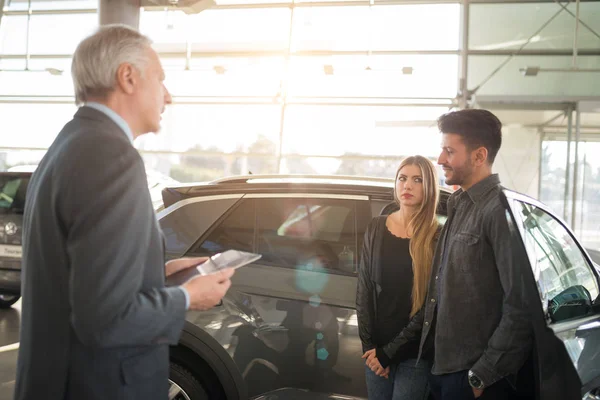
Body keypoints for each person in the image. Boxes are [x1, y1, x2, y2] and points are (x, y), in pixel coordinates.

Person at [14, 25, 234, 400]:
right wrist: (187, 298)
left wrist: (157, 277)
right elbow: (104, 320)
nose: (168, 95)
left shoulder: (69, 145)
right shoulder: (110, 156)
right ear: (128, 77)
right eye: (161, 79)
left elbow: (79, 280)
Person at [365, 109, 533, 400]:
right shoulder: (459, 204)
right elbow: (437, 296)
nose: (441, 159)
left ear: (479, 156)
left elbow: (520, 305)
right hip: (443, 370)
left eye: (449, 151)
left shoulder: (498, 211)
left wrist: (482, 375)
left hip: (472, 375)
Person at [356, 155, 440, 400]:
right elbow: (364, 289)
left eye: (417, 180)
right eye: (402, 178)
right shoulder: (377, 227)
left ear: (429, 188)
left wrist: (389, 354)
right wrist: (370, 348)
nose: (407, 185)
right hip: (376, 351)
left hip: (414, 354)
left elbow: (430, 307)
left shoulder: (437, 236)